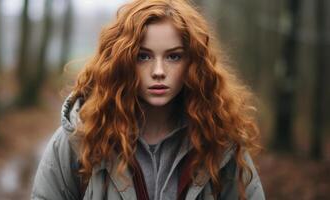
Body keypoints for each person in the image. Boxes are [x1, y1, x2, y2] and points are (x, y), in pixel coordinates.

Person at [31, 0, 265, 199]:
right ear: (122, 62)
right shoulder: (81, 138)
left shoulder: (220, 141)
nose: (159, 71)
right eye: (143, 56)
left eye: (174, 56)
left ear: (192, 63)